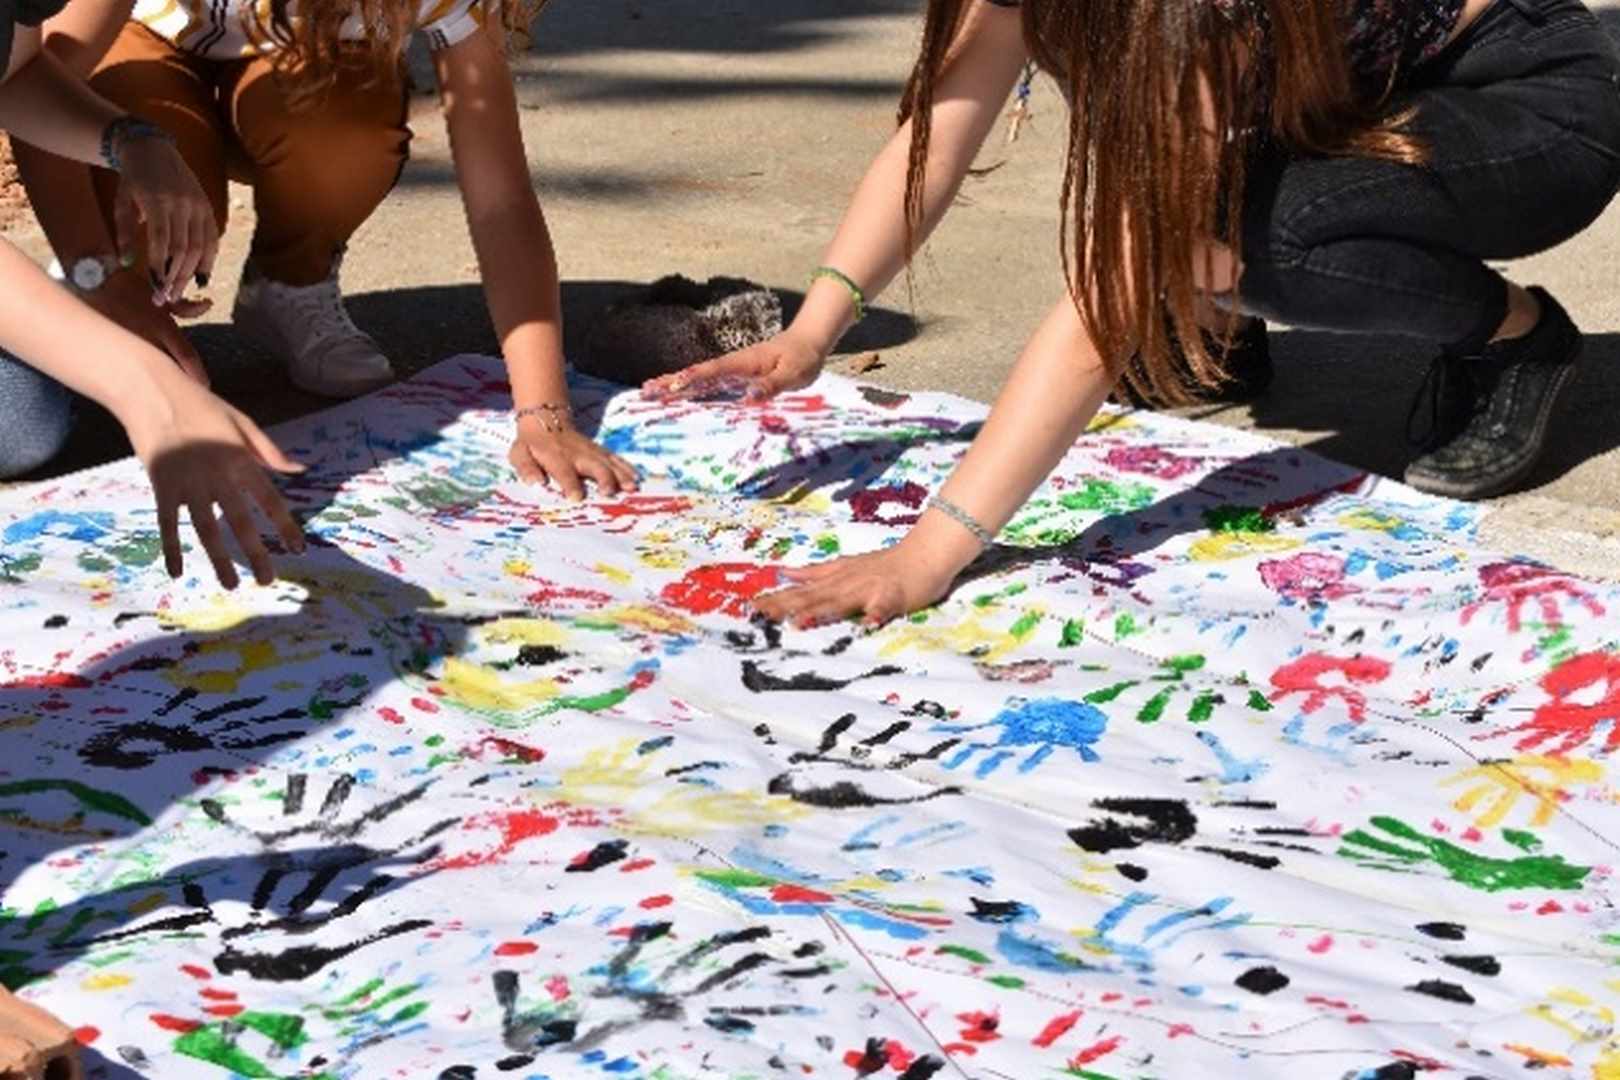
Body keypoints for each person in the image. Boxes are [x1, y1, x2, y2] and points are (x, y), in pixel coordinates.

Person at [647, 0, 1620, 628]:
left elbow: (1104, 299)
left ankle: (1515, 338)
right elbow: (936, 135)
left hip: (1533, 100)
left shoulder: (1194, 14)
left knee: (1239, 240)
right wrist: (815, 329)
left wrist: (929, 554)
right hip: (1361, 101)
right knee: (1194, 225)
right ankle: (1220, 316)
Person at [15, 0, 636, 501]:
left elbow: (501, 200)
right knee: (159, 203)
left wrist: (545, 413)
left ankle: (290, 283)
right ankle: (122, 296)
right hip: (141, 46)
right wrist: (97, 271)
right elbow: (32, 85)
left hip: (286, 67)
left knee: (346, 130)